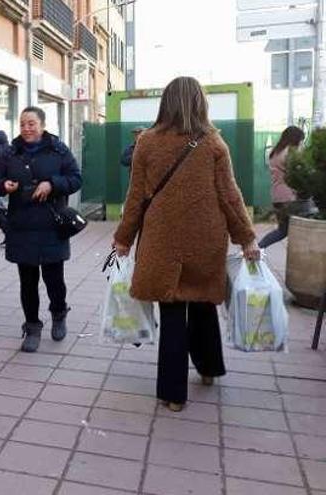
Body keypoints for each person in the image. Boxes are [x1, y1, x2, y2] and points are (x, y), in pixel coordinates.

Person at [112, 76, 260, 413]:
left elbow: (135, 197)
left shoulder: (147, 142)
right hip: (205, 240)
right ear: (200, 103)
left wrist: (123, 238)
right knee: (204, 303)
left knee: (174, 310)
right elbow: (230, 196)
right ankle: (209, 369)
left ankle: (173, 394)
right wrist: (247, 237)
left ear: (165, 103)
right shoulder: (213, 143)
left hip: (162, 240)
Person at [0, 106, 82, 353]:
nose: (27, 129)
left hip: (51, 225)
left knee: (54, 280)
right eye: (22, 124)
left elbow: (75, 178)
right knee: (27, 282)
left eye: (31, 124)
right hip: (21, 225)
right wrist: (3, 185)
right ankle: (32, 326)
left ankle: (59, 313)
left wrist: (52, 184)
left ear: (42, 125)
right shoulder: (11, 152)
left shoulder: (58, 149)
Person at [259, 125, 308, 249]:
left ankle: (258, 248)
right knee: (308, 220)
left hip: (277, 197)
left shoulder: (275, 152)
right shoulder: (290, 153)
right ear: (295, 139)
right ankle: (257, 249)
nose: (301, 143)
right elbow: (300, 174)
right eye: (301, 140)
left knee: (282, 231)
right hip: (289, 197)